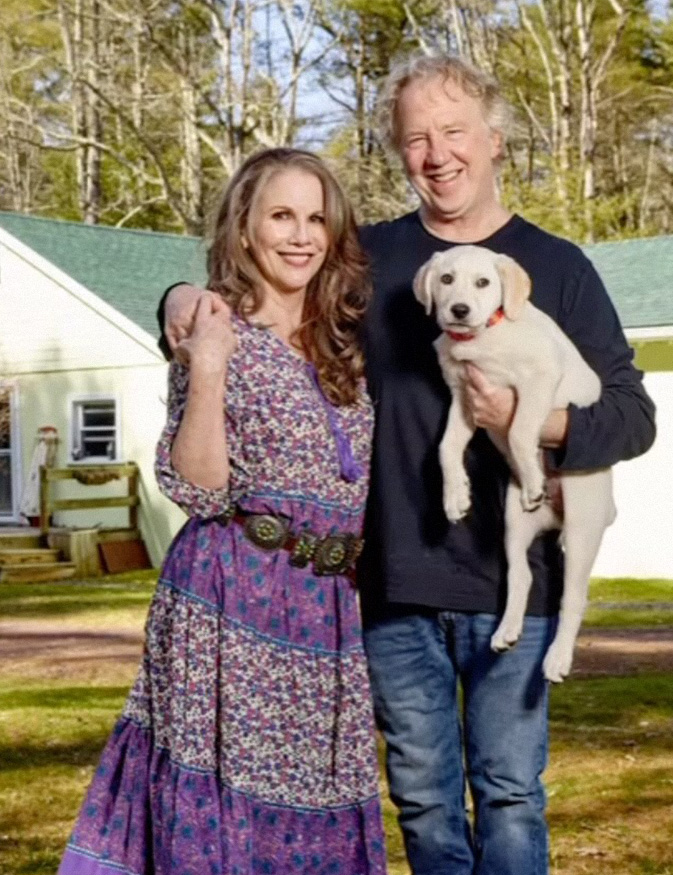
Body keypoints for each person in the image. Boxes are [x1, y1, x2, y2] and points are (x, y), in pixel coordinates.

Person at [160, 57, 656, 875]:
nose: (437, 153)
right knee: (423, 801)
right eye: (416, 138)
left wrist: (542, 421)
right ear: (399, 153)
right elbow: (261, 300)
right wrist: (177, 298)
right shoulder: (371, 260)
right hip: (391, 582)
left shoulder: (558, 269)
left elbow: (633, 415)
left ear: (494, 140)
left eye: (454, 131)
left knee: (510, 793)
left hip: (512, 583)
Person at [58, 148, 387, 875]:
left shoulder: (345, 346)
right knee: (227, 802)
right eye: (281, 215)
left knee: (320, 796)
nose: (301, 235)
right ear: (244, 229)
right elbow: (198, 487)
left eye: (316, 218)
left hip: (325, 610)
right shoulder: (213, 328)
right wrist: (206, 364)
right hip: (231, 593)